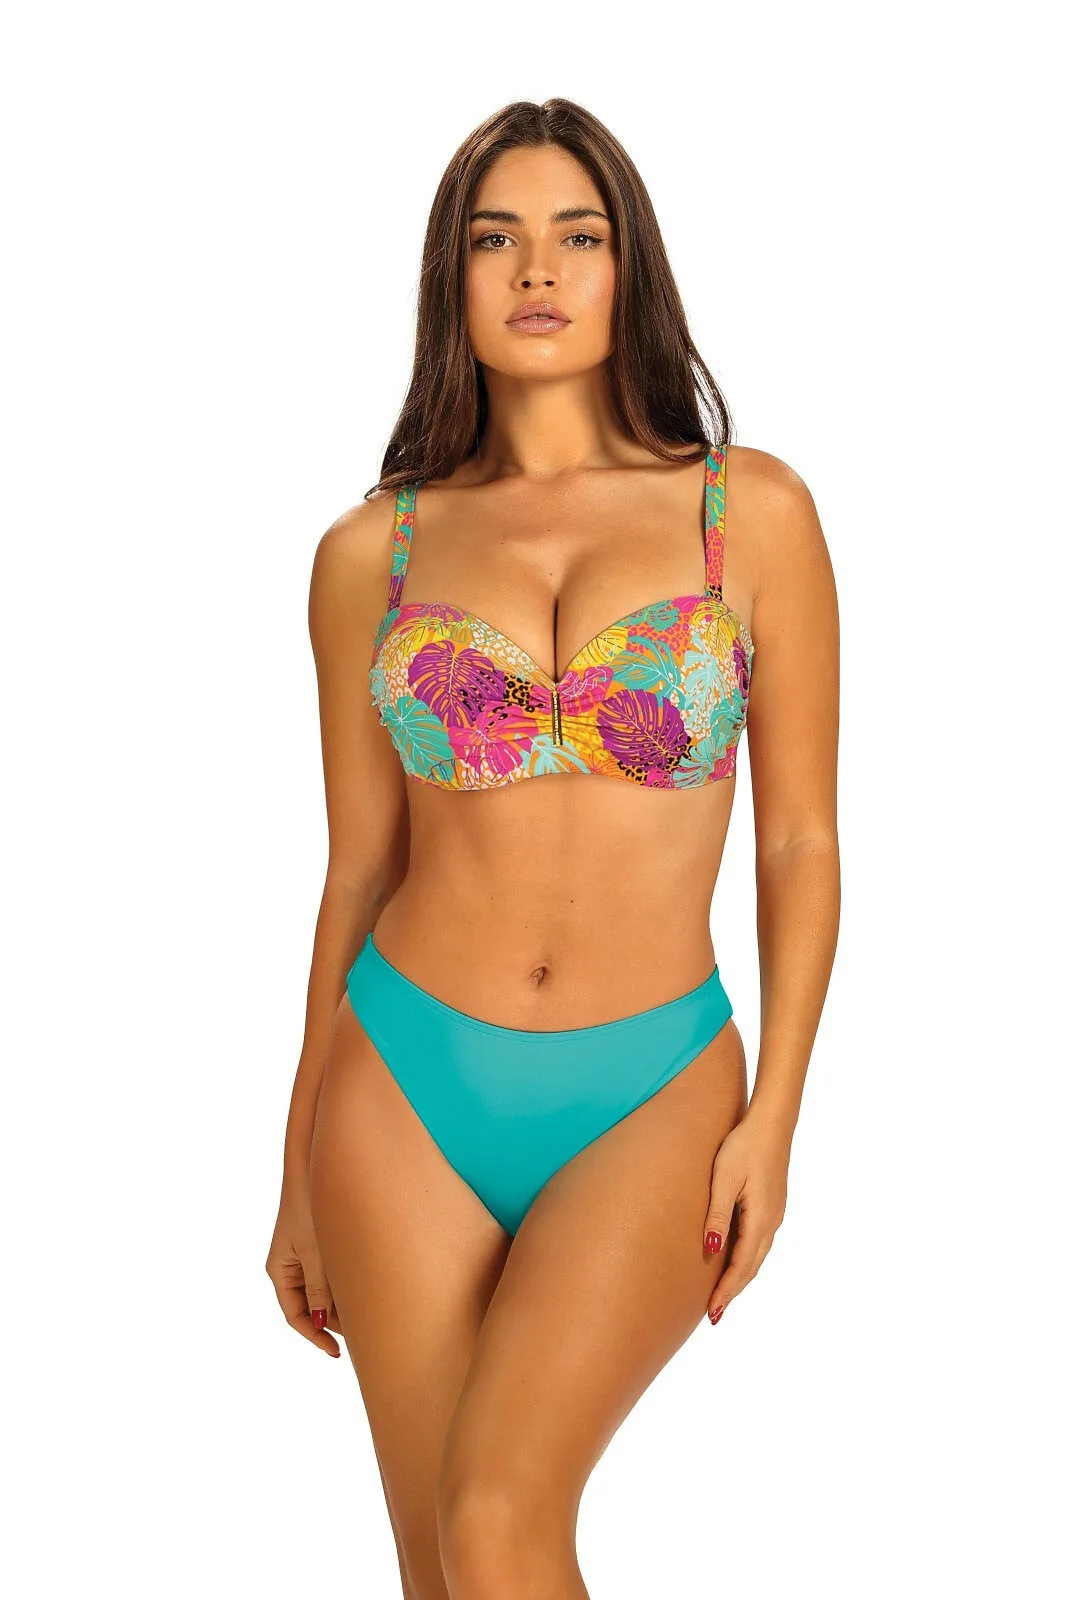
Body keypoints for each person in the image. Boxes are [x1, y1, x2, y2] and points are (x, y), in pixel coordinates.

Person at [266, 97, 840, 1599]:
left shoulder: (747, 513)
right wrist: (294, 1164)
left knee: (501, 1521)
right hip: (401, 1084)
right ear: (448, 278)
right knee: (438, 1566)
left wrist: (776, 1117)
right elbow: (356, 872)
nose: (536, 269)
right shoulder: (371, 553)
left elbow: (798, 841)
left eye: (577, 236)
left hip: (652, 1084)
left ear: (626, 266)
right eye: (495, 238)